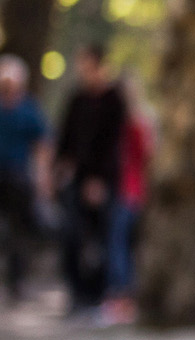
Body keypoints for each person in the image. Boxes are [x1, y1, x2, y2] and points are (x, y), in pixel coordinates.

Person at [52, 44, 127, 315]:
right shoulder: (77, 99)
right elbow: (66, 138)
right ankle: (77, 293)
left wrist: (98, 179)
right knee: (71, 233)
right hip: (76, 177)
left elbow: (113, 143)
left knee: (103, 238)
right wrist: (60, 168)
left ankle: (99, 295)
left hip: (103, 180)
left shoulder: (114, 99)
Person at [100, 76, 152, 324]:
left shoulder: (129, 123)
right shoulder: (135, 121)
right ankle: (123, 296)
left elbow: (143, 156)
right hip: (129, 190)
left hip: (127, 190)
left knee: (117, 244)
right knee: (122, 244)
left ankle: (122, 297)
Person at [0, 54, 50, 304]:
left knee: (20, 231)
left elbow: (42, 145)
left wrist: (42, 179)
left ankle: (17, 282)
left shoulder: (29, 108)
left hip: (18, 176)